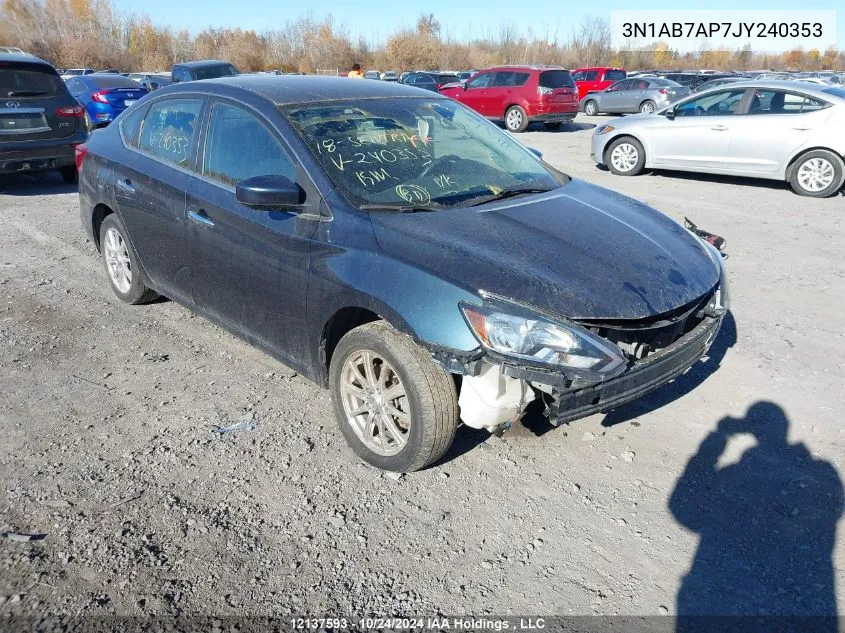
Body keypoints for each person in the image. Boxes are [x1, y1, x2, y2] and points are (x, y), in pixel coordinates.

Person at [669, 402, 842, 632]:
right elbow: (833, 508)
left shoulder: (732, 475)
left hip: (720, 594)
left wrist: (719, 437)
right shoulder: (822, 472)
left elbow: (681, 508)